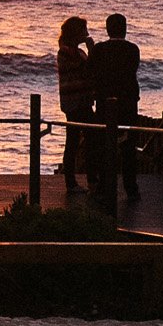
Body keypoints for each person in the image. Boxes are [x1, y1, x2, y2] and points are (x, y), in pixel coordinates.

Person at [85, 13, 141, 201]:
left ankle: (104, 186)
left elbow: (91, 70)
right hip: (128, 102)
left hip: (105, 102)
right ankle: (131, 187)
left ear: (108, 29)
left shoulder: (99, 49)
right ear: (125, 29)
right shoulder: (133, 49)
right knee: (128, 147)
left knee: (104, 146)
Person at [55, 16, 97, 193]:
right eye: (83, 30)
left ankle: (89, 179)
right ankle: (73, 182)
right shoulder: (66, 52)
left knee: (86, 140)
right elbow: (86, 69)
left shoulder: (77, 52)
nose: (86, 34)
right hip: (74, 102)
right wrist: (92, 50)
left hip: (82, 101)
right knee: (75, 141)